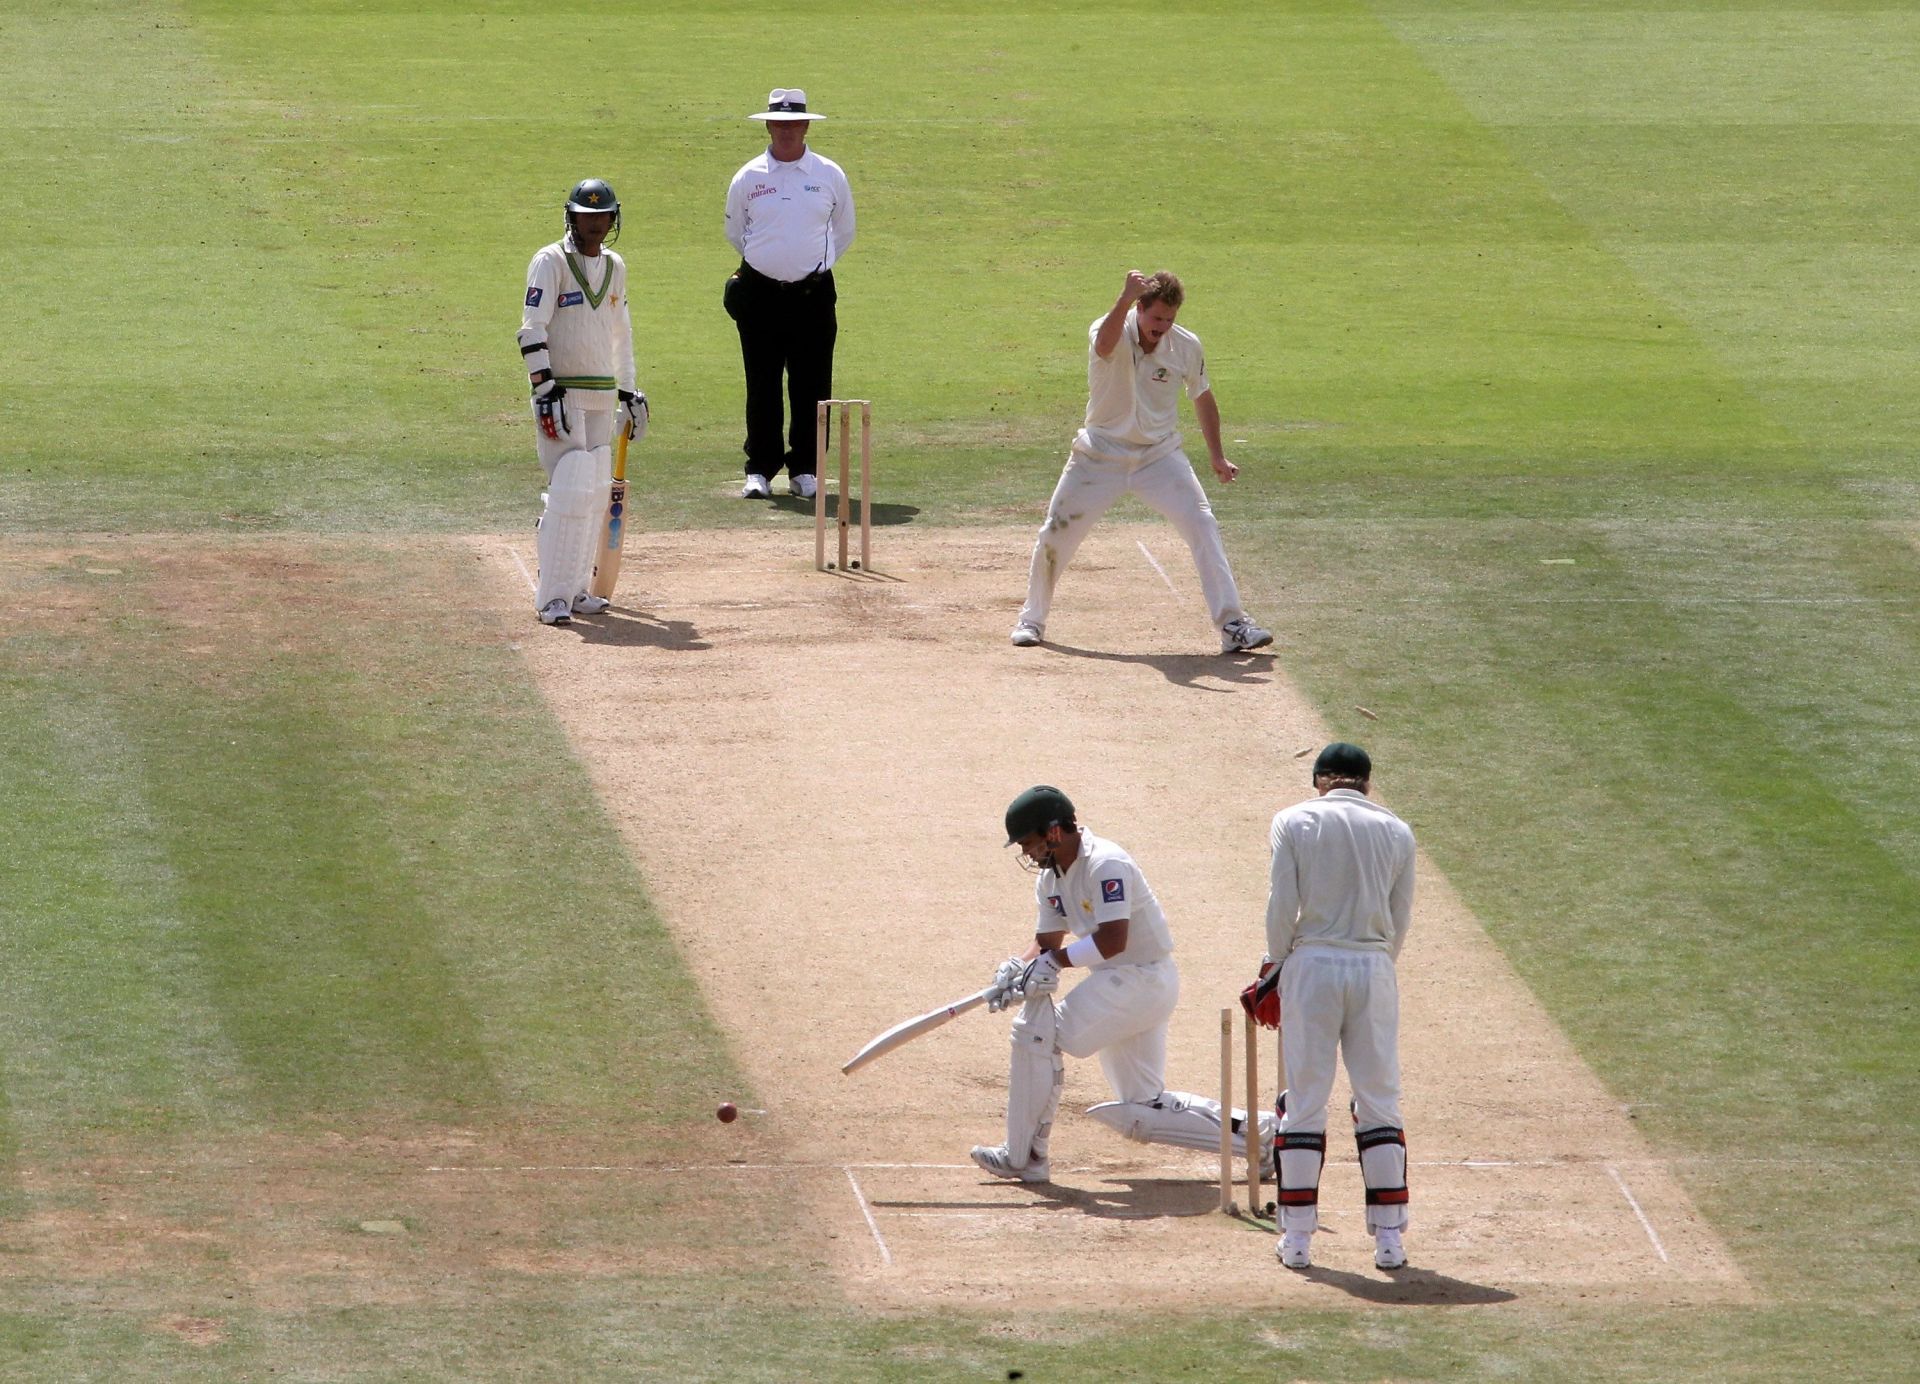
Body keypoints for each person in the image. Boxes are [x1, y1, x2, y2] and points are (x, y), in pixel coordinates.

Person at [970, 786, 1276, 1184]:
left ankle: (1025, 1155)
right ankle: (1267, 1137)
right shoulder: (1051, 879)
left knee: (1036, 1034)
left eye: (1029, 842)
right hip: (1123, 986)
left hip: (1140, 978)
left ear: (1053, 832)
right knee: (1142, 1106)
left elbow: (1114, 941)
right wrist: (1016, 969)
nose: (1027, 853)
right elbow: (1047, 942)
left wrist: (1054, 962)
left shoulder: (1105, 864)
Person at [1011, 270, 1274, 656]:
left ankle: (1233, 624)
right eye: (1156, 319)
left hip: (1159, 456)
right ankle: (1031, 620)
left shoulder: (1185, 345)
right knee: (1055, 533)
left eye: (1169, 319)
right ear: (1139, 309)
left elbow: (1201, 396)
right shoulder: (1110, 328)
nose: (1162, 327)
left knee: (1202, 523)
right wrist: (1122, 299)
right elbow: (1103, 348)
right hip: (1100, 453)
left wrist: (1216, 455)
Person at [1258, 742, 1417, 1271]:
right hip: (1373, 966)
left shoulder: (1292, 820)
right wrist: (1374, 959)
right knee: (1379, 1100)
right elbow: (1399, 918)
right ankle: (1390, 1241)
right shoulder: (1398, 830)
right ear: (1366, 783)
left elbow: (1282, 903)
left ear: (1321, 780)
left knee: (1304, 1101)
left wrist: (1279, 963)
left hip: (1313, 966)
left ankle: (1299, 1241)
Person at [516, 178, 648, 625]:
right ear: (571, 216)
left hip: (601, 394)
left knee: (591, 493)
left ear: (613, 219)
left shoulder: (615, 266)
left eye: (603, 215)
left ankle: (574, 591)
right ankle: (550, 597)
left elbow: (620, 333)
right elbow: (532, 329)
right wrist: (543, 387)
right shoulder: (550, 261)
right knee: (569, 490)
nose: (595, 222)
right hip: (563, 394)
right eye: (587, 214)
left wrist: (628, 390)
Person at [723, 88, 856, 500]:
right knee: (761, 380)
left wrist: (811, 265)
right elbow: (735, 231)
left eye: (793, 123)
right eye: (778, 123)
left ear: (805, 126)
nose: (786, 130)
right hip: (760, 294)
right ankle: (759, 468)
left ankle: (806, 469)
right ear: (768, 125)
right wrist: (769, 264)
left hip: (813, 295)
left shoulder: (829, 175)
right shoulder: (749, 177)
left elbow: (844, 229)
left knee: (812, 382)